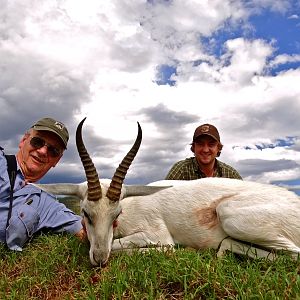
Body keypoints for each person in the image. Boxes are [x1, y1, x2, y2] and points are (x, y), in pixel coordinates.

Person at [0, 117, 86, 251]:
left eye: (53, 150)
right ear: (23, 141)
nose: (42, 151)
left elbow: (84, 231)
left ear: (57, 160)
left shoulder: (47, 205)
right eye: (37, 141)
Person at [165, 123, 242, 180]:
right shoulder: (181, 170)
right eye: (200, 144)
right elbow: (163, 196)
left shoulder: (230, 174)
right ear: (194, 147)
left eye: (211, 144)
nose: (205, 150)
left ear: (218, 147)